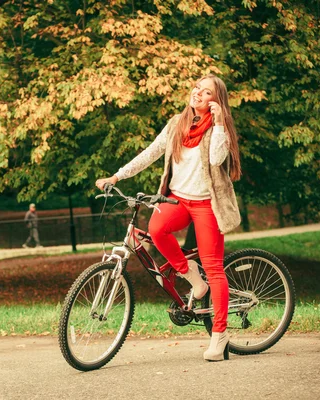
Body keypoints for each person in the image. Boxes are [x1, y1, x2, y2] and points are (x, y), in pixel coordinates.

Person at [96, 74, 242, 362]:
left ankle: (220, 334)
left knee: (214, 268)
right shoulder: (178, 124)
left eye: (207, 92)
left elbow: (215, 160)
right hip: (176, 199)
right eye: (197, 87)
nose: (198, 93)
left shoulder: (218, 128)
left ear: (216, 101)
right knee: (157, 228)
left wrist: (221, 121)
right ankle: (191, 277)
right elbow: (150, 153)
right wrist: (117, 175)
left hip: (206, 204)